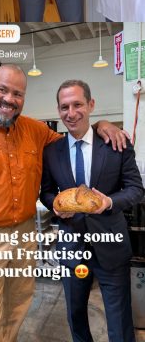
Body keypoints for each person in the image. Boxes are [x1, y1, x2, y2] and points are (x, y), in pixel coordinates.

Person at [0, 64, 126, 342]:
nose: (9, 99)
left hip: (25, 236)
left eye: (18, 93)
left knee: (18, 307)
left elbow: (75, 135)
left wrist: (101, 125)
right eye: (3, 89)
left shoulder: (35, 130)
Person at [40, 79, 144, 342]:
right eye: (64, 107)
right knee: (75, 314)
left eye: (77, 104)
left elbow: (135, 189)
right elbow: (47, 191)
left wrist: (108, 202)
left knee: (119, 318)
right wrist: (55, 204)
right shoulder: (52, 151)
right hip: (72, 245)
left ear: (91, 105)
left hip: (110, 245)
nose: (71, 113)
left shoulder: (115, 143)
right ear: (58, 110)